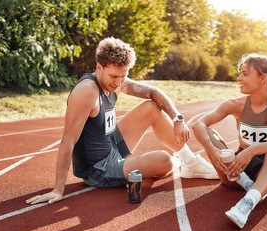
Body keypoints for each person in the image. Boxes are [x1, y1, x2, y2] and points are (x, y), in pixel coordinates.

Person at [26, 37, 217, 205]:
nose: (118, 83)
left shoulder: (117, 80)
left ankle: (190, 162)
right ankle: (171, 163)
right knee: (164, 160)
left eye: (123, 76)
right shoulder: (86, 92)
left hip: (112, 145)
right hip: (99, 168)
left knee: (151, 107)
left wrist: (177, 118)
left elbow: (154, 92)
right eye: (114, 76)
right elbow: (67, 139)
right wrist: (58, 189)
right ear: (99, 67)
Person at [192, 53, 267, 229]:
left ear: (262, 78)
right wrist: (213, 152)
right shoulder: (235, 104)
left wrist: (251, 150)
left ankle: (247, 203)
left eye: (245, 74)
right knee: (210, 134)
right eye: (240, 73)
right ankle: (248, 184)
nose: (239, 78)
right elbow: (198, 124)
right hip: (237, 173)